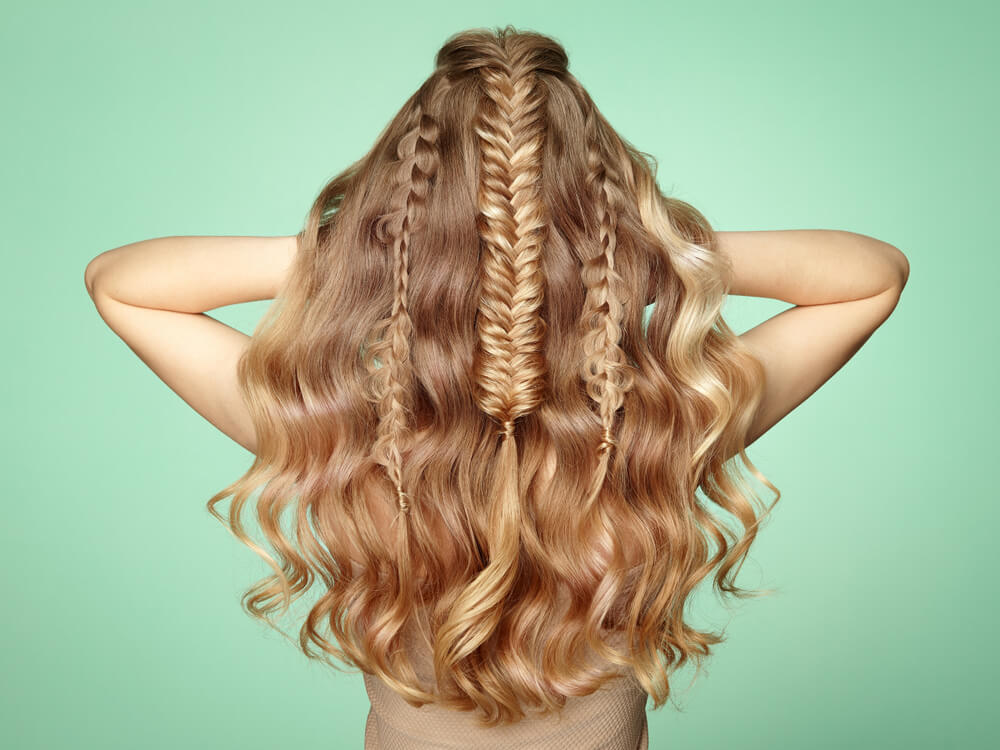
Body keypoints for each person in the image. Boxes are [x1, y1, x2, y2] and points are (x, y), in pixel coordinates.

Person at [84, 24, 910, 750]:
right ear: (592, 238)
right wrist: (657, 253)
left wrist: (358, 259)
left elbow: (122, 282)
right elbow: (871, 276)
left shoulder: (342, 439)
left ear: (409, 242)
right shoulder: (657, 434)